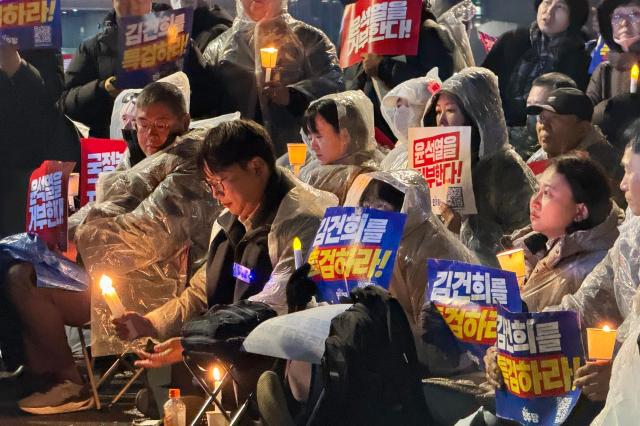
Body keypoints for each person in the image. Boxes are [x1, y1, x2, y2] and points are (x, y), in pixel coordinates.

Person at [4, 82, 217, 414]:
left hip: (147, 283)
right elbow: (101, 210)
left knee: (26, 279)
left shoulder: (190, 165)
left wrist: (78, 240)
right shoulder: (136, 159)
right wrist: (58, 233)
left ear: (184, 122)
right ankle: (37, 369)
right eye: (144, 123)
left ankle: (68, 384)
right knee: (12, 261)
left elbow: (150, 232)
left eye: (162, 125)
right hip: (111, 267)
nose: (151, 134)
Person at [114, 119, 337, 351]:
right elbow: (202, 290)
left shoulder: (303, 221)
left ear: (256, 168)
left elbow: (276, 301)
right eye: (210, 184)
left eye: (219, 182)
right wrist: (152, 323)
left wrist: (197, 341)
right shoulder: (228, 222)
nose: (215, 194)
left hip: (282, 358)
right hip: (229, 349)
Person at [484, 124, 640, 420]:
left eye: (630, 171)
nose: (622, 184)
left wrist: (621, 371)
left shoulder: (584, 261)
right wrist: (511, 345)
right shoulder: (631, 237)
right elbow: (581, 306)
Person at [422, 67, 537, 266]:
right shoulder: (441, 166)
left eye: (450, 110)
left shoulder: (505, 168)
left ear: (475, 115)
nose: (441, 120)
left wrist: (467, 228)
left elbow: (528, 237)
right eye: (438, 111)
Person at [200, 0, 344, 155]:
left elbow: (333, 87)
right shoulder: (219, 47)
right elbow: (204, 103)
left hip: (296, 154)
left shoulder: (308, 39)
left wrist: (293, 96)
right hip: (237, 157)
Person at [502, 155, 622, 312]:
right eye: (537, 190)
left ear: (580, 211)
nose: (534, 201)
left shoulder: (597, 271)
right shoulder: (548, 240)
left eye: (547, 194)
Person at [344, 0, 464, 139]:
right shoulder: (368, 38)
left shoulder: (428, 31)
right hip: (378, 137)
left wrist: (383, 67)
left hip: (419, 136)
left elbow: (437, 86)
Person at [59, 0, 167, 138]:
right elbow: (66, 103)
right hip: (113, 146)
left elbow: (201, 95)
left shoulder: (174, 39)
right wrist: (102, 88)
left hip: (164, 145)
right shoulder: (93, 48)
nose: (132, 4)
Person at [482, 0, 591, 126]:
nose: (549, 11)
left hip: (546, 131)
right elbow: (482, 82)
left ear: (573, 16)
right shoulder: (512, 40)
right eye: (547, 2)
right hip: (496, 127)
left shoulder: (579, 58)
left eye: (560, 7)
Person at [299, 90, 385, 203]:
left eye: (319, 137)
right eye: (310, 138)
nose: (313, 146)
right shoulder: (312, 171)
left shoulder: (371, 176)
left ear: (345, 135)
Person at [526, 87, 618, 165]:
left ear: (582, 129)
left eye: (554, 118)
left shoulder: (600, 167)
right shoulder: (538, 159)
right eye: (542, 118)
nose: (543, 125)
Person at [379, 71, 442, 171]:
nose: (399, 113)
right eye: (398, 106)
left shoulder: (442, 155)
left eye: (408, 105)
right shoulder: (398, 153)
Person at [587, 0, 640, 116]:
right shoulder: (604, 70)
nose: (624, 23)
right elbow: (586, 115)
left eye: (635, 14)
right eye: (617, 16)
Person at [509, 72, 577, 161]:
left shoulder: (569, 156)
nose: (530, 112)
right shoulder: (512, 140)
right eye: (529, 103)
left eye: (538, 106)